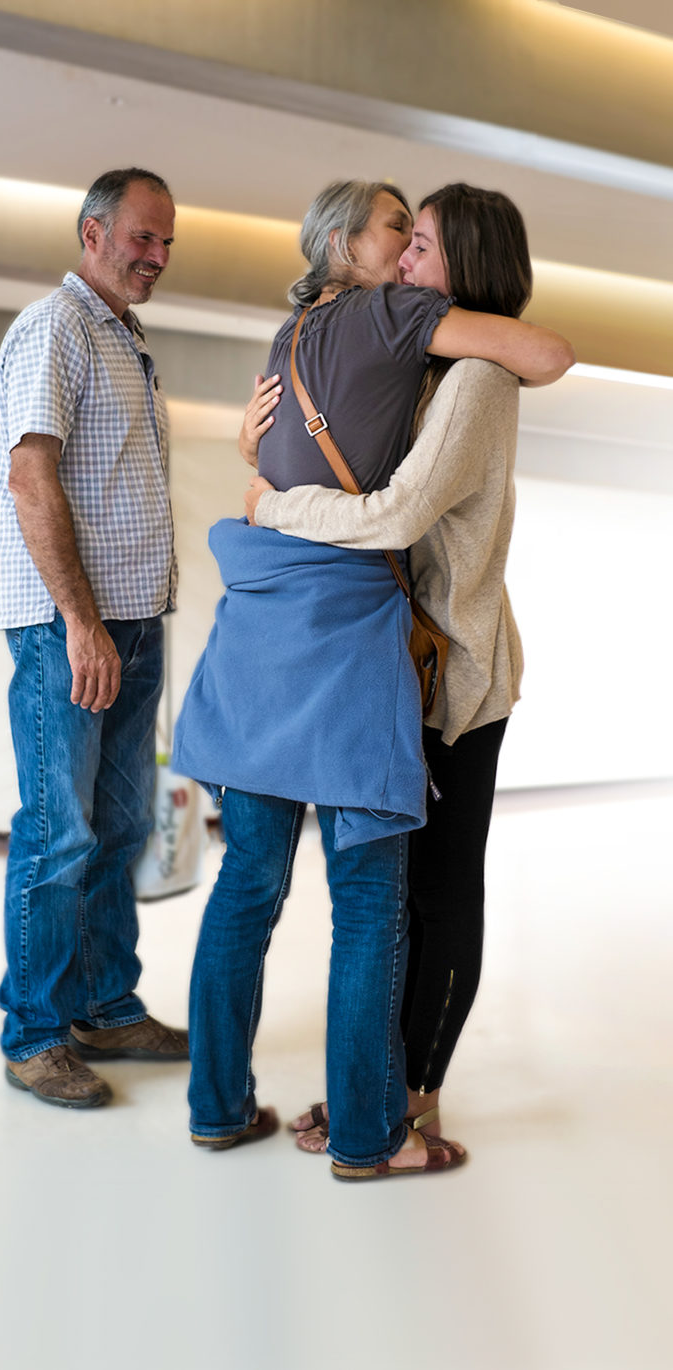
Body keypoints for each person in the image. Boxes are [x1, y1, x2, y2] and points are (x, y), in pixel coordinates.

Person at [173, 180, 573, 1179]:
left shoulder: (454, 370)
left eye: (423, 243)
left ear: (463, 265)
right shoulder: (408, 352)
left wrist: (269, 502)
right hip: (367, 651)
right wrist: (266, 467)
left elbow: (391, 515)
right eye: (401, 237)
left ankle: (390, 1095)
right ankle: (368, 1117)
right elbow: (352, 482)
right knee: (374, 902)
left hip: (438, 665)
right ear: (349, 244)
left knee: (421, 895)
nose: (406, 259)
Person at [0, 167, 188, 1110]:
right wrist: (80, 623)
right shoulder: (55, 327)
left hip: (133, 626)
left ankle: (106, 1006)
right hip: (69, 631)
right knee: (58, 834)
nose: (155, 257)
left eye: (165, 243)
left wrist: (124, 625)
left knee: (118, 829)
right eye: (142, 237)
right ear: (93, 232)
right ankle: (33, 1034)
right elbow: (34, 479)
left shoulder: (123, 339)